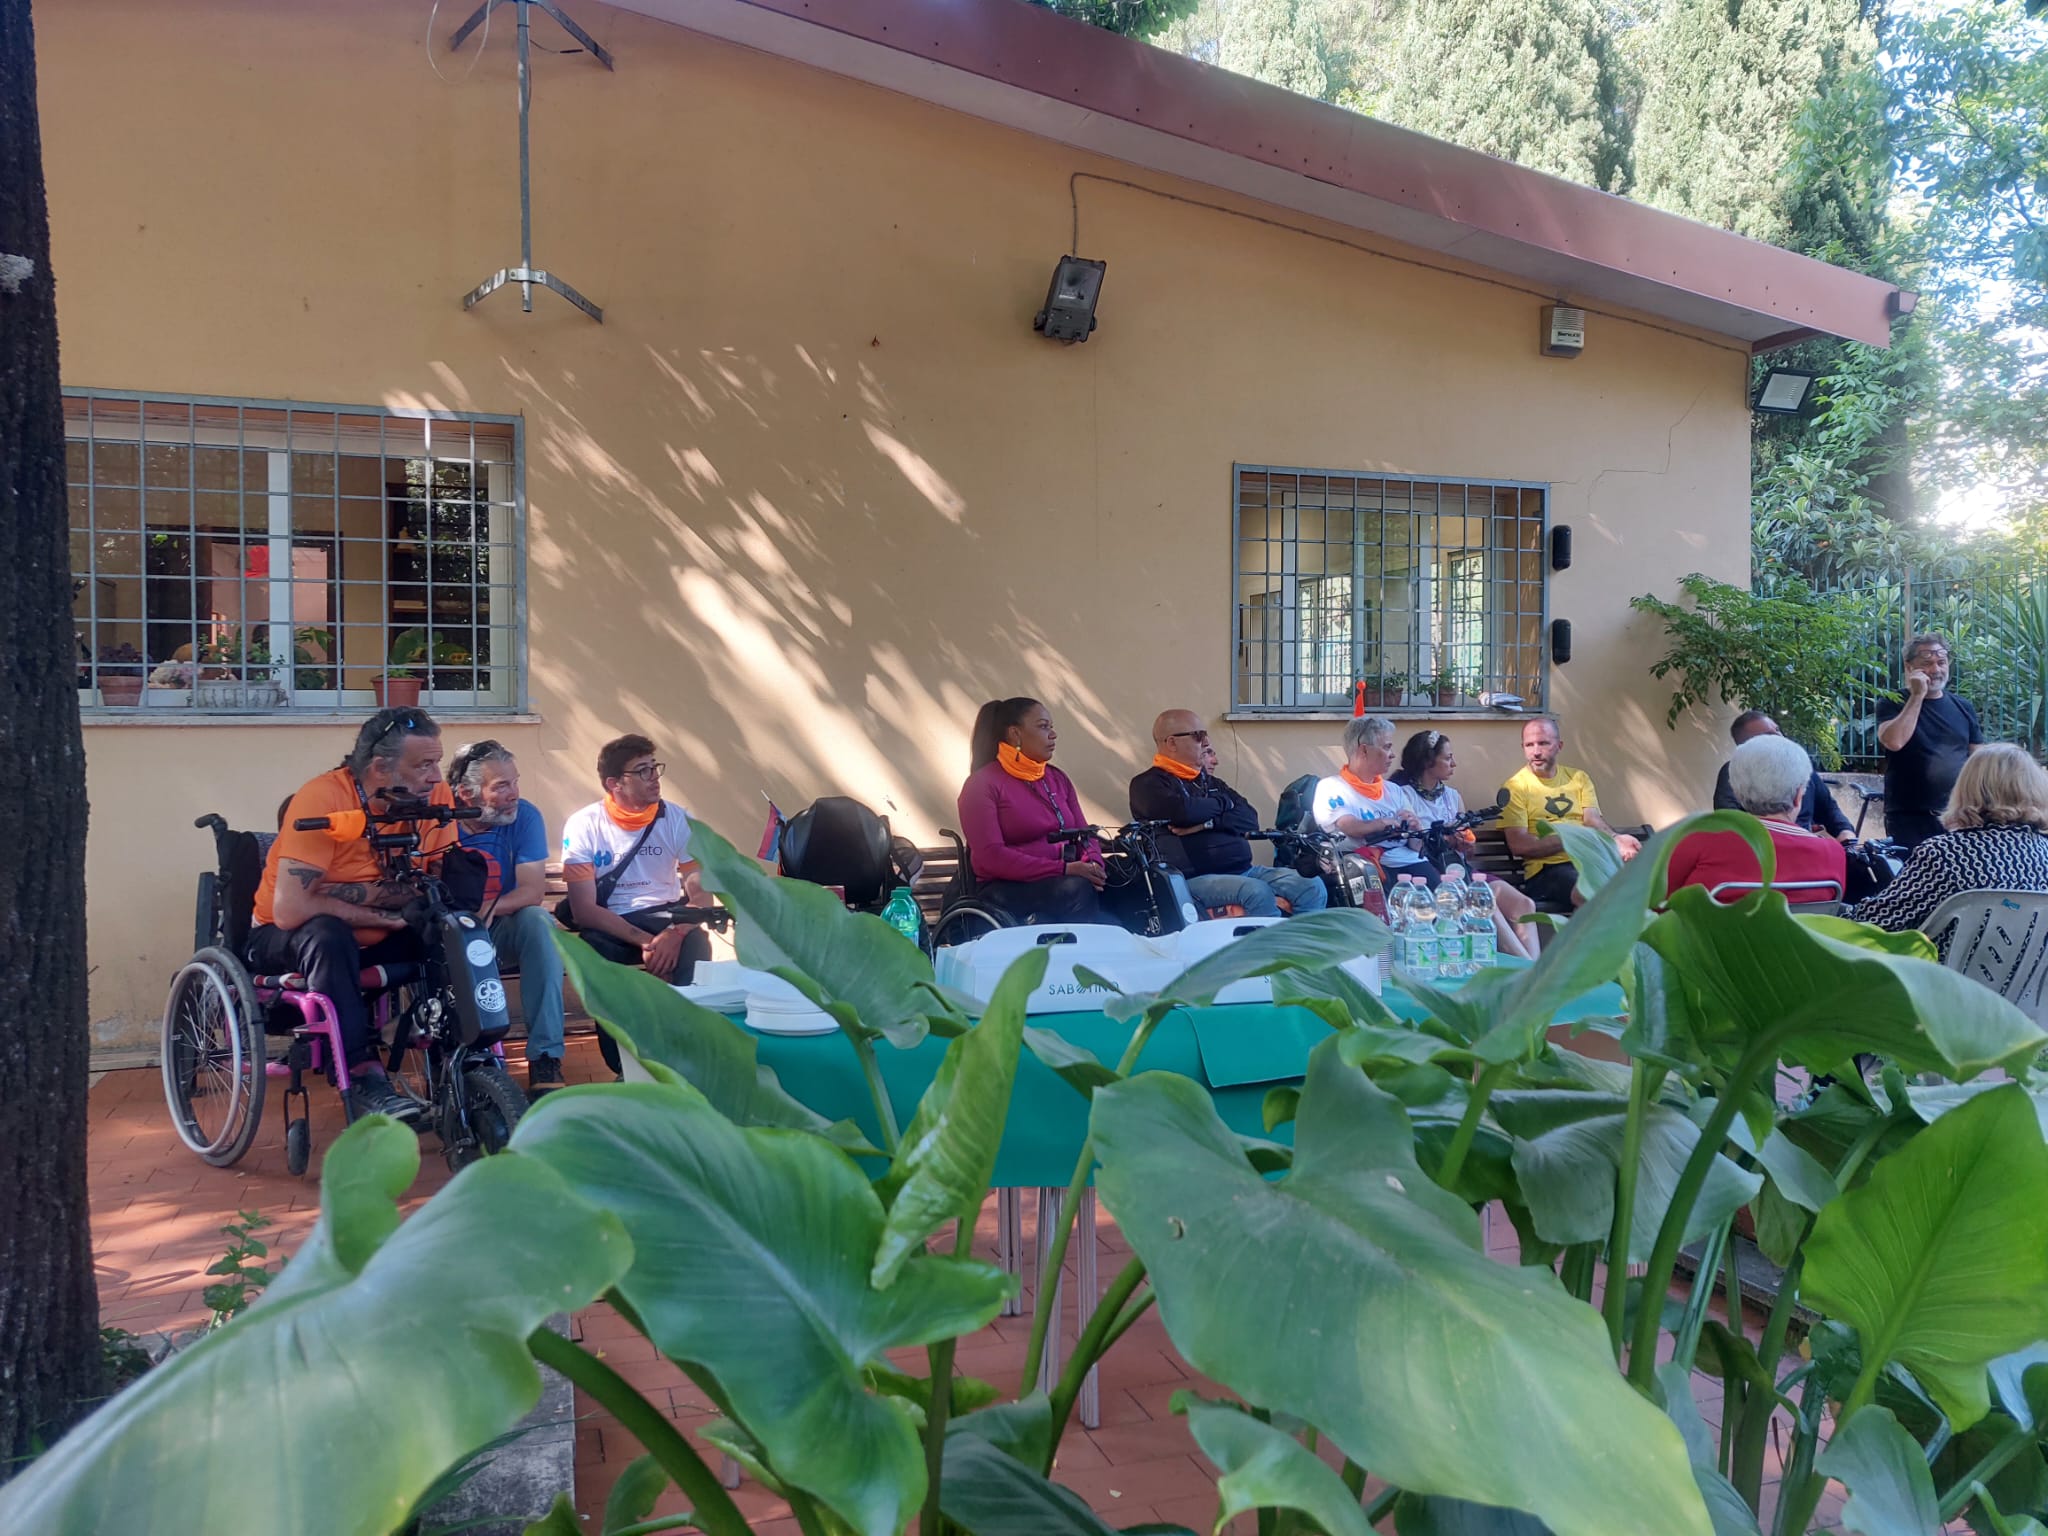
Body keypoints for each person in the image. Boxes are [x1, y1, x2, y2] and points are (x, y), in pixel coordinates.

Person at [248, 708, 454, 1122]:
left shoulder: (434, 795)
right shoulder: (323, 798)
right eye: (424, 765)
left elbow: (437, 882)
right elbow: (292, 909)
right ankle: (362, 1075)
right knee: (327, 932)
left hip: (375, 935)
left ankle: (460, 1057)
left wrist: (347, 896)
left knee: (449, 925)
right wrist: (384, 914)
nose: (436, 777)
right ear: (379, 768)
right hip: (283, 936)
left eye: (438, 763)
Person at [561, 733, 712, 1078]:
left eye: (655, 768)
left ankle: (683, 1055)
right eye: (643, 771)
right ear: (614, 783)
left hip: (667, 915)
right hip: (612, 921)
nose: (654, 778)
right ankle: (622, 1064)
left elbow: (702, 896)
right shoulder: (584, 824)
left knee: (697, 944)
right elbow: (584, 910)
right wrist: (649, 944)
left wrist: (675, 934)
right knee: (595, 953)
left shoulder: (678, 819)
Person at [1845, 744, 2048, 956]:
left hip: (1945, 977)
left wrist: (1838, 913)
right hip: (2028, 978)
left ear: (1967, 788)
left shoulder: (1945, 854)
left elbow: (1873, 922)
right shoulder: (2043, 853)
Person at [449, 740, 567, 1093]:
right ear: (466, 793)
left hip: (501, 928)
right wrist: (466, 921)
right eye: (501, 786)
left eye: (515, 782)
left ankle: (545, 1056)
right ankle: (464, 1057)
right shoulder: (440, 819)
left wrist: (486, 911)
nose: (514, 793)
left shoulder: (525, 816)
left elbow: (531, 891)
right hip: (449, 932)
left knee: (539, 923)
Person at [1129, 708, 1327, 918]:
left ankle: (1301, 938)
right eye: (1198, 735)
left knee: (1311, 886)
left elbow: (1249, 818)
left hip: (1243, 871)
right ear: (1171, 743)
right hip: (1192, 880)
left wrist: (1209, 822)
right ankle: (1267, 940)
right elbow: (1185, 812)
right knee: (1257, 893)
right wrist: (1225, 803)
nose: (1206, 741)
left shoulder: (1211, 782)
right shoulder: (1147, 784)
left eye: (1205, 734)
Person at [956, 697, 1105, 923]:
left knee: (1133, 878)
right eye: (1043, 727)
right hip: (1004, 888)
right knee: (1075, 889)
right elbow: (991, 857)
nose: (1053, 734)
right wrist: (1063, 869)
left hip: (1065, 877)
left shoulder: (1057, 778)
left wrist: (1094, 863)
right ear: (1015, 734)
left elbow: (1085, 834)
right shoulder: (982, 784)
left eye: (1051, 727)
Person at [1393, 728, 1538, 957]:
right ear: (1428, 762)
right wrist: (1444, 839)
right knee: (1485, 903)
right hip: (1433, 873)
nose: (1454, 763)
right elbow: (1414, 846)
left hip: (1461, 871)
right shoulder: (1404, 795)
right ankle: (1530, 969)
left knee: (1524, 905)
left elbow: (1467, 850)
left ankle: (1534, 966)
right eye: (1448, 758)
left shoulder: (1453, 796)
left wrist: (1465, 844)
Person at [1671, 734, 1848, 904]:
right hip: (1798, 927)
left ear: (1737, 793)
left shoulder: (1698, 841)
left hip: (1713, 926)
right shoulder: (1833, 853)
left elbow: (1660, 905)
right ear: (1798, 796)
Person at [1500, 716, 1641, 907]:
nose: (1536, 752)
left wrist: (1616, 839)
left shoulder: (1578, 778)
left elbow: (1593, 821)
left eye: (1543, 743)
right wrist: (1574, 838)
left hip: (1589, 861)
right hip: (1547, 871)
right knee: (1590, 891)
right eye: (1529, 745)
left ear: (1559, 746)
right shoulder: (1515, 788)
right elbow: (1520, 845)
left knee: (1638, 879)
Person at [1876, 634, 1982, 851]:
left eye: (1941, 662)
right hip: (1909, 817)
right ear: (1909, 667)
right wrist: (1917, 696)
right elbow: (1894, 741)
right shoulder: (1893, 702)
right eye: (1926, 663)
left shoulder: (1963, 706)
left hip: (1958, 816)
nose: (1935, 670)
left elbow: (1979, 759)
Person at [1312, 715, 1434, 882]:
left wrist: (1416, 829)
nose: (1392, 755)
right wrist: (1383, 823)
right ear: (1364, 750)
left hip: (1408, 861)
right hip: (1362, 865)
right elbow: (1350, 827)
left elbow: (1416, 846)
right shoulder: (1331, 787)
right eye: (1387, 747)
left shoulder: (1394, 790)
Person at [1712, 711, 1854, 844]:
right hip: (1761, 852)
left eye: (1777, 730)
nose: (1780, 736)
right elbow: (1729, 819)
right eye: (1769, 735)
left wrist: (1846, 832)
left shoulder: (1802, 768)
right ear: (1747, 746)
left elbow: (1829, 809)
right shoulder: (1734, 772)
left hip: (1807, 849)